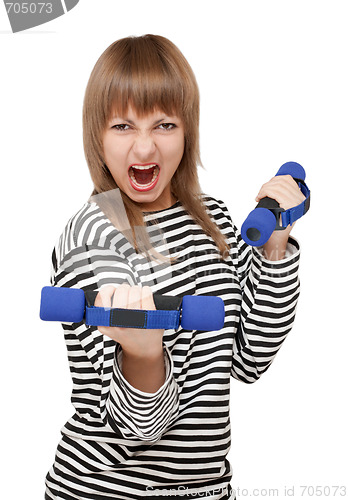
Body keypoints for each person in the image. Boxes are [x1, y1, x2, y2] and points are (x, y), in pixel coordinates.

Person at [45, 34, 305, 500]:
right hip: (107, 490)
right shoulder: (95, 235)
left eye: (164, 124)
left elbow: (250, 359)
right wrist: (143, 355)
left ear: (188, 130)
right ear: (96, 136)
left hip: (204, 489)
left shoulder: (214, 218)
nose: (144, 149)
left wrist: (275, 246)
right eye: (123, 126)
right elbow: (139, 428)